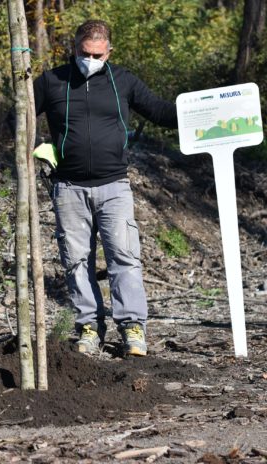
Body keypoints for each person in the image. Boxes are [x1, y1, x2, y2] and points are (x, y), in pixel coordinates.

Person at [33, 20, 178, 356]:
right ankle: (88, 326)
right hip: (68, 188)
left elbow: (160, 111)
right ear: (74, 48)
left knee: (124, 258)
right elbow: (18, 117)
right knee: (76, 260)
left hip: (114, 185)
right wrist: (35, 147)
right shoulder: (52, 81)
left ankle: (132, 328)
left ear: (109, 51)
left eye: (98, 55)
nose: (91, 59)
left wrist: (202, 111)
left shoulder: (122, 81)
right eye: (85, 53)